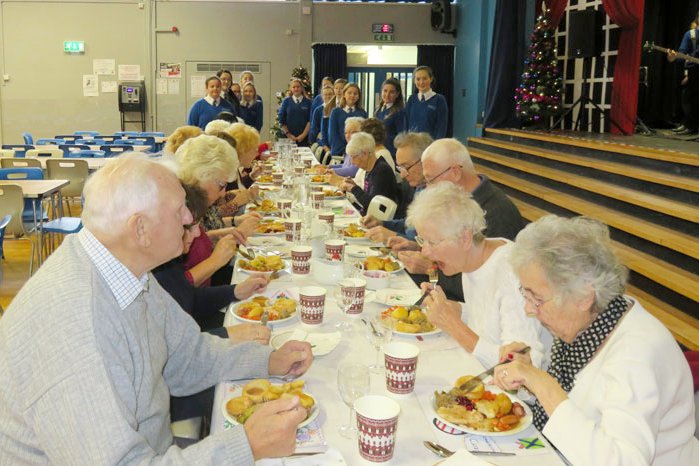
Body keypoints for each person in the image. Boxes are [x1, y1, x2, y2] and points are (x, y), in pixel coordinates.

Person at [0, 154, 314, 463]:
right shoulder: (75, 328)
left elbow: (188, 355)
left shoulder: (127, 270)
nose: (191, 220)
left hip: (154, 449)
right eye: (180, 212)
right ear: (140, 229)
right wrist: (245, 446)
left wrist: (268, 361)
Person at [493, 215, 699, 465]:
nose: (528, 309)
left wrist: (543, 384)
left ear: (584, 296)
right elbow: (579, 407)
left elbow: (623, 461)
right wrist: (527, 377)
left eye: (537, 299)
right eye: (525, 295)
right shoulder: (589, 325)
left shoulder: (636, 354)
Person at [410, 182, 549, 368]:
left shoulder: (512, 273)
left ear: (465, 238)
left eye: (432, 242)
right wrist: (454, 309)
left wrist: (452, 324)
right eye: (421, 240)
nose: (424, 252)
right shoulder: (471, 259)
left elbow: (521, 366)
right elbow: (489, 322)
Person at [386, 138, 526, 302]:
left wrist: (430, 270)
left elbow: (484, 287)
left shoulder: (498, 214)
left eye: (430, 180)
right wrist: (419, 246)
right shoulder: (458, 204)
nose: (428, 188)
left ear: (455, 172)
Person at [153, 183, 270, 338]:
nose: (198, 234)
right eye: (189, 227)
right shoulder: (154, 271)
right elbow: (177, 349)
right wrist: (230, 335)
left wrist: (236, 291)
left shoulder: (168, 263)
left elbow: (191, 298)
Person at [362, 131, 432, 239]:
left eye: (406, 166)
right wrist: (382, 223)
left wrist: (395, 236)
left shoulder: (441, 197)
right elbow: (410, 225)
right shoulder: (421, 187)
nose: (403, 175)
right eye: (400, 168)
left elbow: (428, 246)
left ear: (426, 161)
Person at [333, 132, 400, 216]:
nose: (352, 162)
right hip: (365, 215)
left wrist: (353, 188)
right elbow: (367, 198)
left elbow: (373, 206)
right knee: (333, 211)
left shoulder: (382, 171)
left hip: (375, 222)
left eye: (353, 157)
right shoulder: (370, 169)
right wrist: (353, 185)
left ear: (365, 154)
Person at [668, 11, 699, 136]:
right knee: (689, 100)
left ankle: (690, 125)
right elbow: (681, 54)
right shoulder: (690, 34)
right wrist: (672, 57)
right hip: (695, 72)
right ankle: (690, 125)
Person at [405, 66, 448, 139]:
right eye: (418, 79)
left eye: (425, 78)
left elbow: (442, 126)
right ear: (414, 81)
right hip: (413, 143)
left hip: (430, 145)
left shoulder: (439, 99)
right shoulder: (411, 99)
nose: (421, 82)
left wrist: (435, 146)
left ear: (431, 79)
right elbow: (406, 123)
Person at [328, 83, 368, 157]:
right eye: (349, 93)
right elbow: (333, 135)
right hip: (339, 153)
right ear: (344, 94)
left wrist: (355, 150)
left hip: (357, 153)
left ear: (358, 96)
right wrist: (345, 151)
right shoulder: (336, 112)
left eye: (355, 93)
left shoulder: (363, 113)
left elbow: (363, 135)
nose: (352, 95)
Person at [375, 77, 407, 158]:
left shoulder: (399, 112)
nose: (387, 94)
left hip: (391, 153)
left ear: (397, 94)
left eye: (392, 92)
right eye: (385, 91)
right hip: (379, 151)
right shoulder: (379, 110)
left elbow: (401, 136)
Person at [278, 78, 312, 146]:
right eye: (294, 87)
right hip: (288, 139)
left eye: (298, 87)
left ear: (302, 88)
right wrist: (289, 135)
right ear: (291, 89)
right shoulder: (286, 101)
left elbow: (310, 121)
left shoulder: (308, 102)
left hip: (304, 139)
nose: (296, 89)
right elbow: (281, 120)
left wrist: (303, 135)